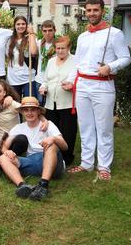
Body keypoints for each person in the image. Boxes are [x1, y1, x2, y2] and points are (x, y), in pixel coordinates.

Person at [62, 0, 130, 180]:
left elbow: (125, 58)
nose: (92, 13)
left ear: (103, 11)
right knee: (85, 126)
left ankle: (104, 166)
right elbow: (78, 63)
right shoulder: (83, 36)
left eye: (95, 10)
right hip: (83, 85)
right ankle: (86, 163)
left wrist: (110, 67)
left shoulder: (115, 34)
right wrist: (70, 80)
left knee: (104, 128)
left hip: (103, 85)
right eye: (89, 10)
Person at [0, 96, 68, 201]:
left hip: (52, 161)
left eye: (33, 110)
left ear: (38, 111)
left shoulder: (48, 124)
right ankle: (22, 186)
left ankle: (43, 185)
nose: (29, 113)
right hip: (31, 160)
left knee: (51, 145)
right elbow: (4, 146)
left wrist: (53, 139)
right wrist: (7, 151)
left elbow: (65, 146)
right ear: (22, 112)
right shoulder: (19, 127)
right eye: (26, 110)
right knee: (2, 158)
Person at [38, 36, 77, 165]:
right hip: (50, 103)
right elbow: (46, 80)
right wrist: (43, 87)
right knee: (51, 130)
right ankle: (52, 154)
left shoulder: (76, 61)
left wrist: (71, 85)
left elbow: (76, 79)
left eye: (63, 48)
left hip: (67, 103)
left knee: (68, 131)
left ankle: (67, 157)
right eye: (58, 48)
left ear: (69, 48)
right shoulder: (51, 61)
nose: (60, 51)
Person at [6, 15, 38, 98]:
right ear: (14, 26)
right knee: (15, 105)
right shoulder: (9, 40)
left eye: (23, 24)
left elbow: (33, 52)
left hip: (28, 78)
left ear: (27, 25)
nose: (21, 26)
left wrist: (31, 33)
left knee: (29, 105)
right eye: (18, 24)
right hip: (13, 78)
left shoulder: (30, 38)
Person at [35, 20, 56, 105]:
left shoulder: (58, 45)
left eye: (50, 30)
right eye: (45, 31)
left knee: (51, 107)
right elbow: (32, 52)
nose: (47, 33)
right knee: (40, 106)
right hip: (39, 80)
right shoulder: (39, 43)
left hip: (52, 80)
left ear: (55, 30)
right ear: (42, 31)